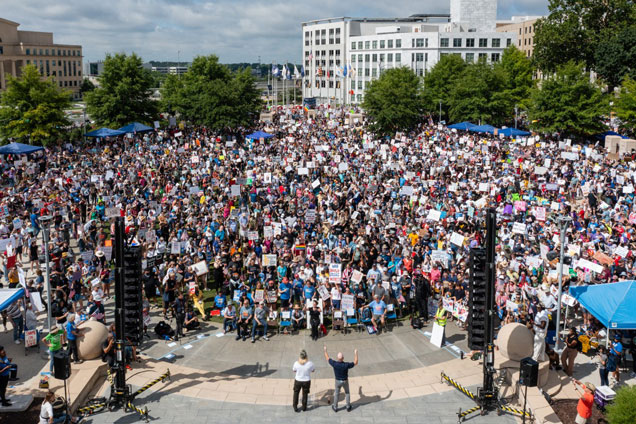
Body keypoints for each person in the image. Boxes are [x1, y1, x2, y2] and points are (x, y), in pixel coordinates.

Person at [324, 345, 358, 413]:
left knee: (336, 393)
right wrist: (356, 353)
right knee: (347, 393)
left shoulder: (334, 364)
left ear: (337, 358)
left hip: (337, 381)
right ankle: (348, 407)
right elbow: (355, 362)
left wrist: (325, 350)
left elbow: (327, 358)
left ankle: (335, 407)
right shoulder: (346, 365)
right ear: (343, 358)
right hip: (345, 381)